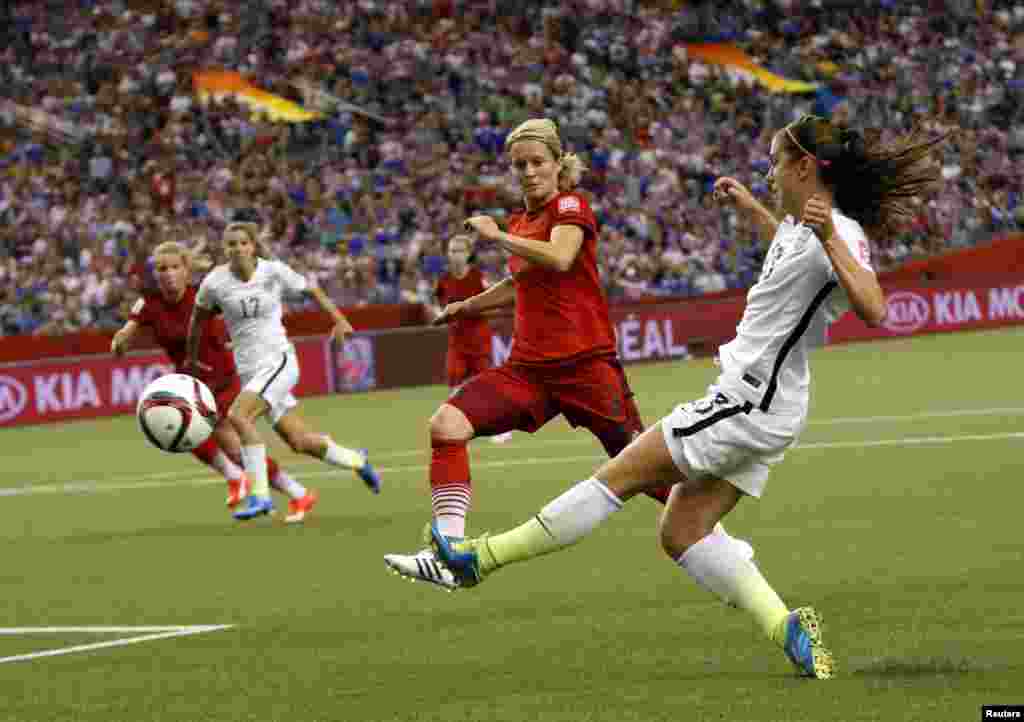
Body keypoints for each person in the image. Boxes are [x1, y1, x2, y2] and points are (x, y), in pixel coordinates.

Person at [427, 116, 953, 679]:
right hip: (771, 408)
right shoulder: (801, 225)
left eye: (776, 162)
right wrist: (751, 207)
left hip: (748, 403)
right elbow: (790, 248)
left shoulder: (836, 233)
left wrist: (827, 236)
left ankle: (480, 558)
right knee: (680, 531)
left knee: (620, 476)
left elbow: (874, 308)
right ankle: (788, 627)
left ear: (804, 168)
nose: (770, 172)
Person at [385, 118, 670, 588]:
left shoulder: (571, 206)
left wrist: (496, 237)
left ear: (559, 163)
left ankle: (711, 533)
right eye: (520, 165)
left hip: (586, 367)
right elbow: (520, 282)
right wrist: (467, 306)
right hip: (529, 370)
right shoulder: (523, 221)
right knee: (446, 425)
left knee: (643, 469)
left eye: (538, 162)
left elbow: (559, 257)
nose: (529, 172)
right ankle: (449, 548)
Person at [186, 222, 381, 521]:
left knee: (238, 417)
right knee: (299, 441)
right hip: (251, 372)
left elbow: (312, 289)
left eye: (242, 243)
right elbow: (198, 321)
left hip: (278, 362)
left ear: (252, 246)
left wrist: (339, 320)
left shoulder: (273, 271)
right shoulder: (215, 282)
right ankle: (357, 460)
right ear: (224, 250)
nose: (237, 249)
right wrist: (191, 358)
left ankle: (260, 496)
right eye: (230, 245)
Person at [111, 240, 317, 523]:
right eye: (162, 269)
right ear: (155, 273)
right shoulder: (149, 303)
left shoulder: (205, 294)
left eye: (174, 267)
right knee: (181, 434)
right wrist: (120, 341)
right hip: (193, 385)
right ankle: (280, 489)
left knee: (226, 446)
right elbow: (127, 331)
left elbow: (247, 312)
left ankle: (280, 489)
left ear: (186, 270)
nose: (168, 274)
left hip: (223, 379)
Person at [433, 233, 512, 443]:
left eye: (459, 251)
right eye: (451, 251)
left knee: (486, 385)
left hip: (478, 340)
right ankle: (454, 428)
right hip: (456, 342)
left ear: (468, 255)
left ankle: (501, 427)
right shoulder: (444, 280)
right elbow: (439, 303)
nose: (455, 255)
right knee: (454, 385)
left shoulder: (478, 277)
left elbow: (494, 298)